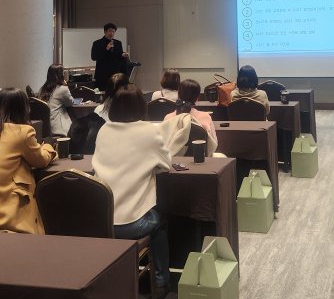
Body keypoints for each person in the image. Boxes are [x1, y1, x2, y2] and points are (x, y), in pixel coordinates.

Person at [92, 84, 171, 295]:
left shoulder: (104, 129)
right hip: (132, 225)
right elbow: (166, 164)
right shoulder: (148, 130)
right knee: (160, 222)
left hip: (102, 222)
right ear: (141, 107)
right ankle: (161, 282)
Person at [0, 88, 56, 233]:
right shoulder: (22, 132)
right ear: (23, 108)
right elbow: (41, 160)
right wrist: (48, 145)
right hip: (10, 220)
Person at [164, 79, 218, 144]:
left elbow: (164, 143)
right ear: (197, 99)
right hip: (200, 151)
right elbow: (214, 143)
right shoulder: (206, 117)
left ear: (178, 95)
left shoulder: (168, 118)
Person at [91, 23, 128, 91]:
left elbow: (118, 57)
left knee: (116, 93)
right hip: (102, 75)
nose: (112, 33)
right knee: (102, 94)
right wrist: (106, 49)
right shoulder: (97, 43)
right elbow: (94, 57)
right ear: (105, 32)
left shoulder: (118, 43)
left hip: (115, 75)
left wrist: (122, 55)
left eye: (113, 31)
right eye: (110, 31)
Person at [40, 63, 74, 136]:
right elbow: (70, 103)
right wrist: (65, 85)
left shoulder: (42, 89)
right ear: (60, 75)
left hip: (45, 129)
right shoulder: (62, 89)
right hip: (59, 129)